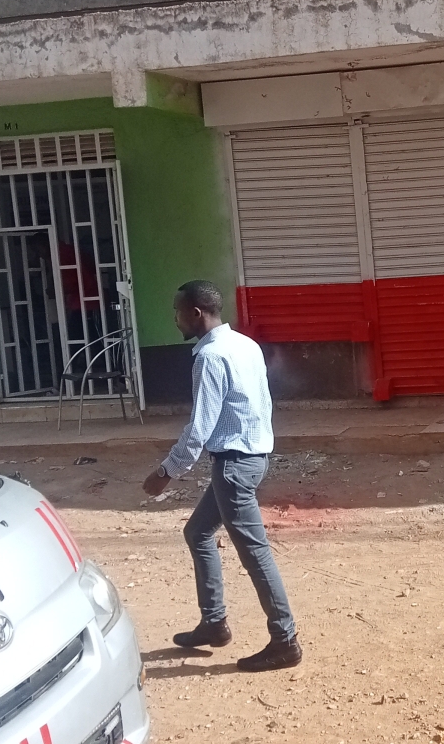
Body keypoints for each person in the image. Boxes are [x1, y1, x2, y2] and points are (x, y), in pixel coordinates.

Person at [142, 280, 301, 672]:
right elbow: (261, 403)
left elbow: (199, 428)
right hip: (252, 458)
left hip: (233, 467)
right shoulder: (245, 345)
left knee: (256, 553)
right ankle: (214, 623)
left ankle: (285, 641)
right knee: (197, 532)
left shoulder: (210, 358)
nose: (175, 319)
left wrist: (166, 472)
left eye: (178, 311)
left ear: (195, 313)